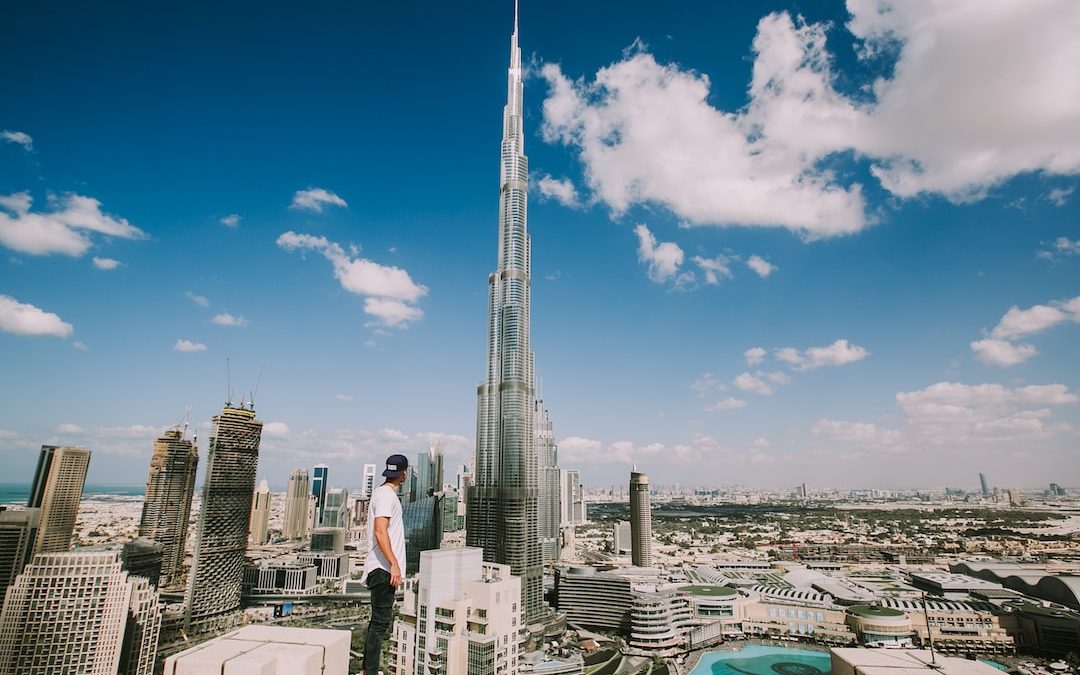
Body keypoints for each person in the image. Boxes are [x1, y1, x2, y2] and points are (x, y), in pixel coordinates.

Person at [361, 453, 409, 675]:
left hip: (382, 568)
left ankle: (368, 670)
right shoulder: (387, 497)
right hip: (382, 569)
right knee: (380, 623)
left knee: (378, 623)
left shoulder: (382, 494)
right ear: (404, 474)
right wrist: (394, 564)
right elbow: (380, 532)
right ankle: (369, 671)